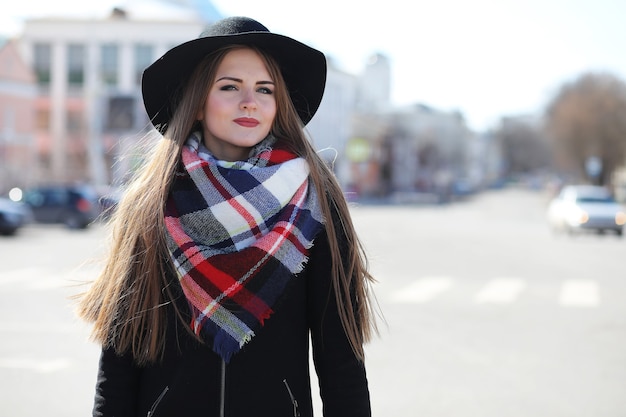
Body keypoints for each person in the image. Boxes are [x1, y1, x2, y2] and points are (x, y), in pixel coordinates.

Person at [77, 16, 378, 417]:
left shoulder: (315, 203)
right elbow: (118, 361)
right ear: (199, 101)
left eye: (264, 89)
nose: (249, 101)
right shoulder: (151, 204)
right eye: (230, 86)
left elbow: (341, 361)